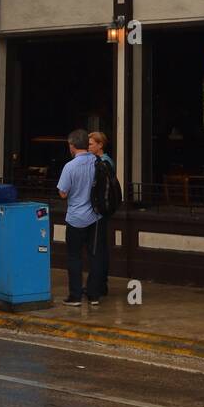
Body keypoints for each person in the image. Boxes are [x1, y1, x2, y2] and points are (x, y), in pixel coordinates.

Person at [57, 128, 103, 306]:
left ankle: (75, 296)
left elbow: (62, 193)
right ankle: (94, 295)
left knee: (74, 257)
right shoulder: (98, 162)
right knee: (94, 256)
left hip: (76, 217)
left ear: (72, 146)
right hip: (95, 216)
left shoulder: (70, 167)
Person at [88, 131, 114, 298]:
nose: (88, 146)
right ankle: (100, 283)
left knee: (98, 249)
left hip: (99, 212)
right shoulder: (103, 162)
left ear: (100, 145)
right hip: (102, 211)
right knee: (100, 248)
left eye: (91, 144)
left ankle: (97, 285)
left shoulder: (103, 163)